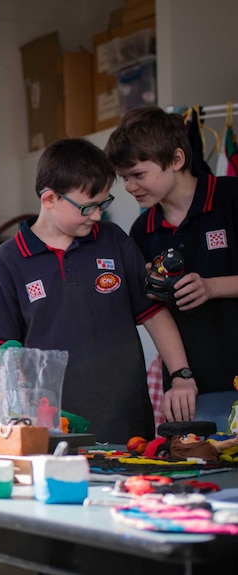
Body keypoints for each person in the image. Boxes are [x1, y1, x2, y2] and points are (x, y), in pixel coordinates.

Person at [0, 138, 197, 443]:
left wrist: (182, 376)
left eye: (103, 203)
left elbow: (154, 313)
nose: (97, 215)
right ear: (50, 199)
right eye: (88, 206)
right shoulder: (8, 261)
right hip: (51, 426)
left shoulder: (113, 240)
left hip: (125, 417)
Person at [105, 106, 238, 421]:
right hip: (188, 388)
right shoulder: (142, 230)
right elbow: (151, 312)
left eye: (138, 174)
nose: (130, 186)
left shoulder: (230, 198)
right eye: (124, 177)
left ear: (176, 160)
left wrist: (212, 286)